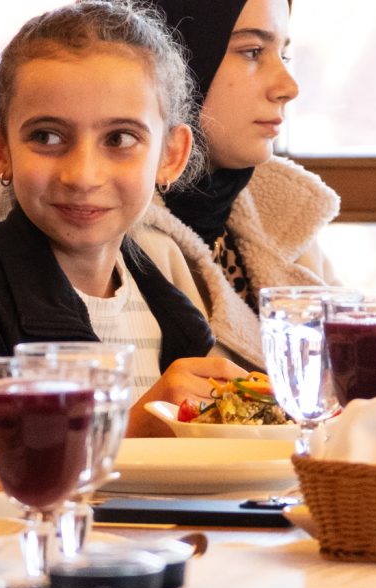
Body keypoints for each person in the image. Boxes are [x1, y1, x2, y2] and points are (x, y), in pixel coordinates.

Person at [0, 0, 248, 453]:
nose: (82, 175)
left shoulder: (168, 311)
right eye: (47, 137)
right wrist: (128, 433)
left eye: (120, 139)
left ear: (170, 156)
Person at [132, 0, 339, 369]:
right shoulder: (107, 232)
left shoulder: (282, 212)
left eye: (284, 55)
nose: (288, 87)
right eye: (253, 51)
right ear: (175, 61)